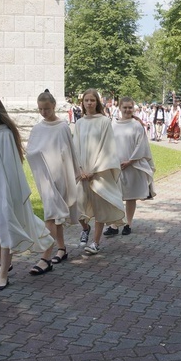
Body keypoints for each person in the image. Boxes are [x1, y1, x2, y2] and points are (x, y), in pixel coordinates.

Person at [0, 94, 55, 289]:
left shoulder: (5, 134)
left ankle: (4, 273)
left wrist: (11, 193)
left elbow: (12, 167)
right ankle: (5, 263)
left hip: (2, 190)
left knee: (5, 229)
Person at [26, 90, 80, 273]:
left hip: (60, 175)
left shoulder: (62, 126)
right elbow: (31, 150)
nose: (43, 112)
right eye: (40, 109)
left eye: (47, 109)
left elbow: (69, 151)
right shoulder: (37, 128)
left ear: (54, 106)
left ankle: (45, 257)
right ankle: (61, 249)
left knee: (53, 215)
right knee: (52, 213)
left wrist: (75, 172)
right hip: (44, 178)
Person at [74, 88, 125, 255]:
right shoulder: (80, 123)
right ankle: (85, 228)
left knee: (99, 208)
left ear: (97, 102)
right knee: (77, 205)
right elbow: (76, 147)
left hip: (98, 171)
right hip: (82, 172)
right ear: (82, 103)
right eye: (86, 100)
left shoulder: (104, 121)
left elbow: (107, 148)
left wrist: (94, 170)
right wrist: (80, 169)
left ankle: (95, 243)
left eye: (92, 100)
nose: (89, 103)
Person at [103, 97, 156, 237]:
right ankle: (114, 225)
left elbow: (141, 145)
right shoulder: (112, 124)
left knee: (130, 197)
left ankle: (128, 223)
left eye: (130, 107)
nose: (127, 110)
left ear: (133, 108)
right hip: (116, 166)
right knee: (116, 196)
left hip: (132, 166)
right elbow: (107, 144)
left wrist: (130, 161)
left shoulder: (136, 125)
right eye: (124, 107)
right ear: (119, 108)